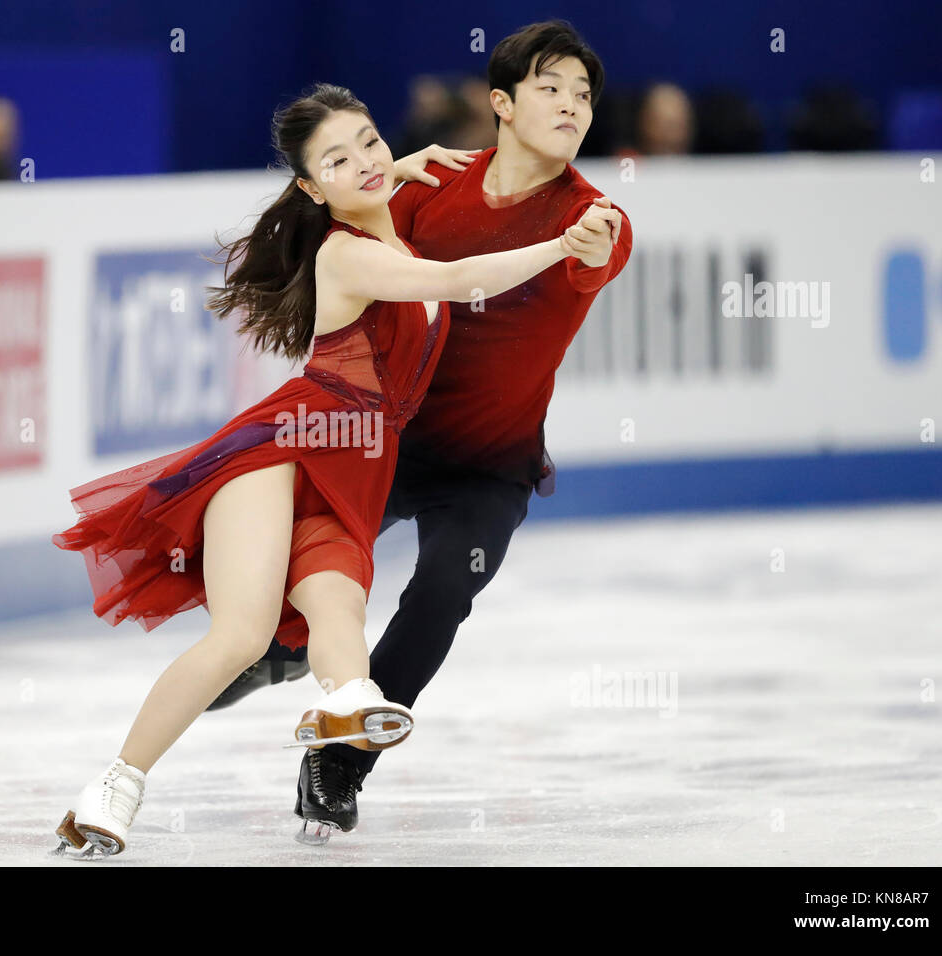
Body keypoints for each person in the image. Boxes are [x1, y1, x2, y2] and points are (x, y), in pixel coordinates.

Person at [48, 82, 611, 856]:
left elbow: (378, 200)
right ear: (312, 188)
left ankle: (348, 701)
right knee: (242, 635)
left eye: (372, 142)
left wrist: (388, 170)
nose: (368, 162)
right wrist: (559, 246)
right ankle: (114, 786)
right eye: (338, 161)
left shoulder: (389, 232)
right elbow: (454, 282)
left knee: (340, 611)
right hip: (285, 450)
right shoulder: (347, 254)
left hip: (355, 471)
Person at [209, 20, 635, 844]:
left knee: (443, 591)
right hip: (388, 439)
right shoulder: (429, 183)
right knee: (300, 550)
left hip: (489, 465)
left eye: (584, 95)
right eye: (551, 87)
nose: (572, 106)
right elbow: (338, 226)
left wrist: (593, 242)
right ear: (502, 103)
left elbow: (594, 256)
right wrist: (390, 172)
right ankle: (280, 648)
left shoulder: (592, 215)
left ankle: (339, 763)